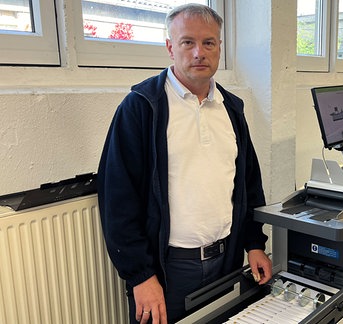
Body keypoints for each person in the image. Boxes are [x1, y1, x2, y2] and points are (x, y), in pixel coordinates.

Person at [97, 4, 272, 324]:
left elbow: (247, 183)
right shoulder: (142, 108)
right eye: (187, 42)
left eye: (209, 43)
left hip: (227, 259)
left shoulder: (231, 109)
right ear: (169, 48)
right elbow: (117, 199)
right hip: (169, 270)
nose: (199, 53)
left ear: (220, 48)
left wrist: (254, 244)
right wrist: (141, 276)